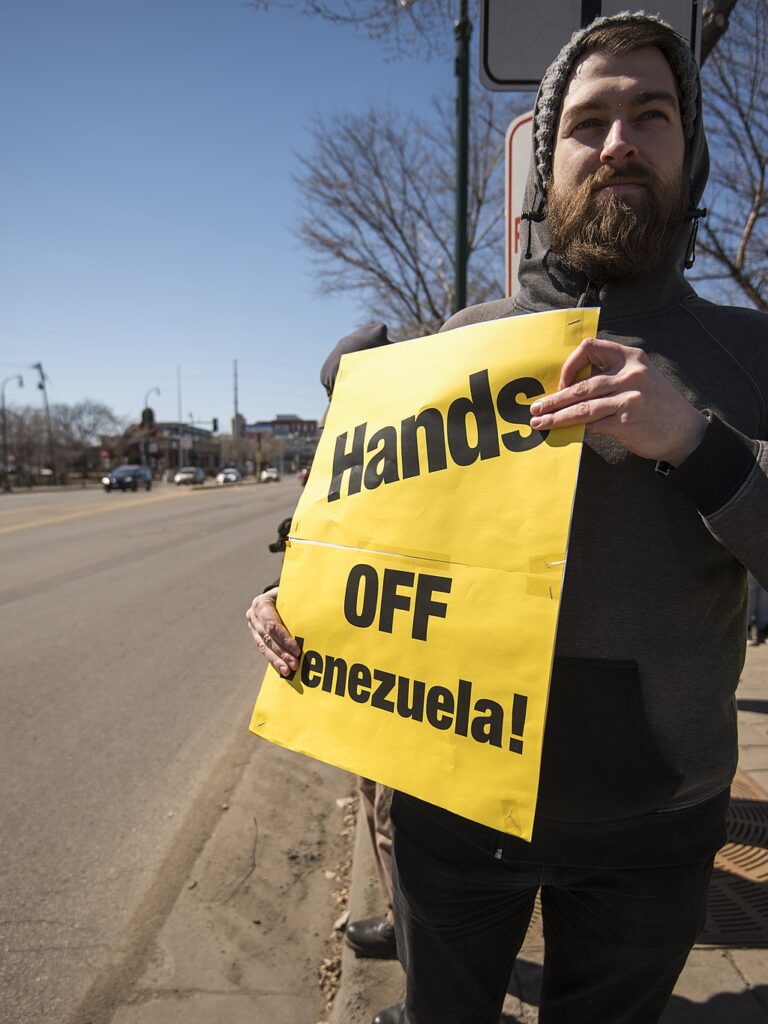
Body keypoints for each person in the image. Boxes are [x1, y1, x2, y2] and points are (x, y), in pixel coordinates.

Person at [246, 14, 768, 1023]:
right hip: (452, 810)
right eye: (590, 121)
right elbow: (380, 533)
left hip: (656, 833)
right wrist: (294, 595)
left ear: (689, 154)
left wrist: (699, 443)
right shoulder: (464, 341)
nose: (618, 140)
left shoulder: (751, 354)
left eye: (650, 116)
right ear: (549, 163)